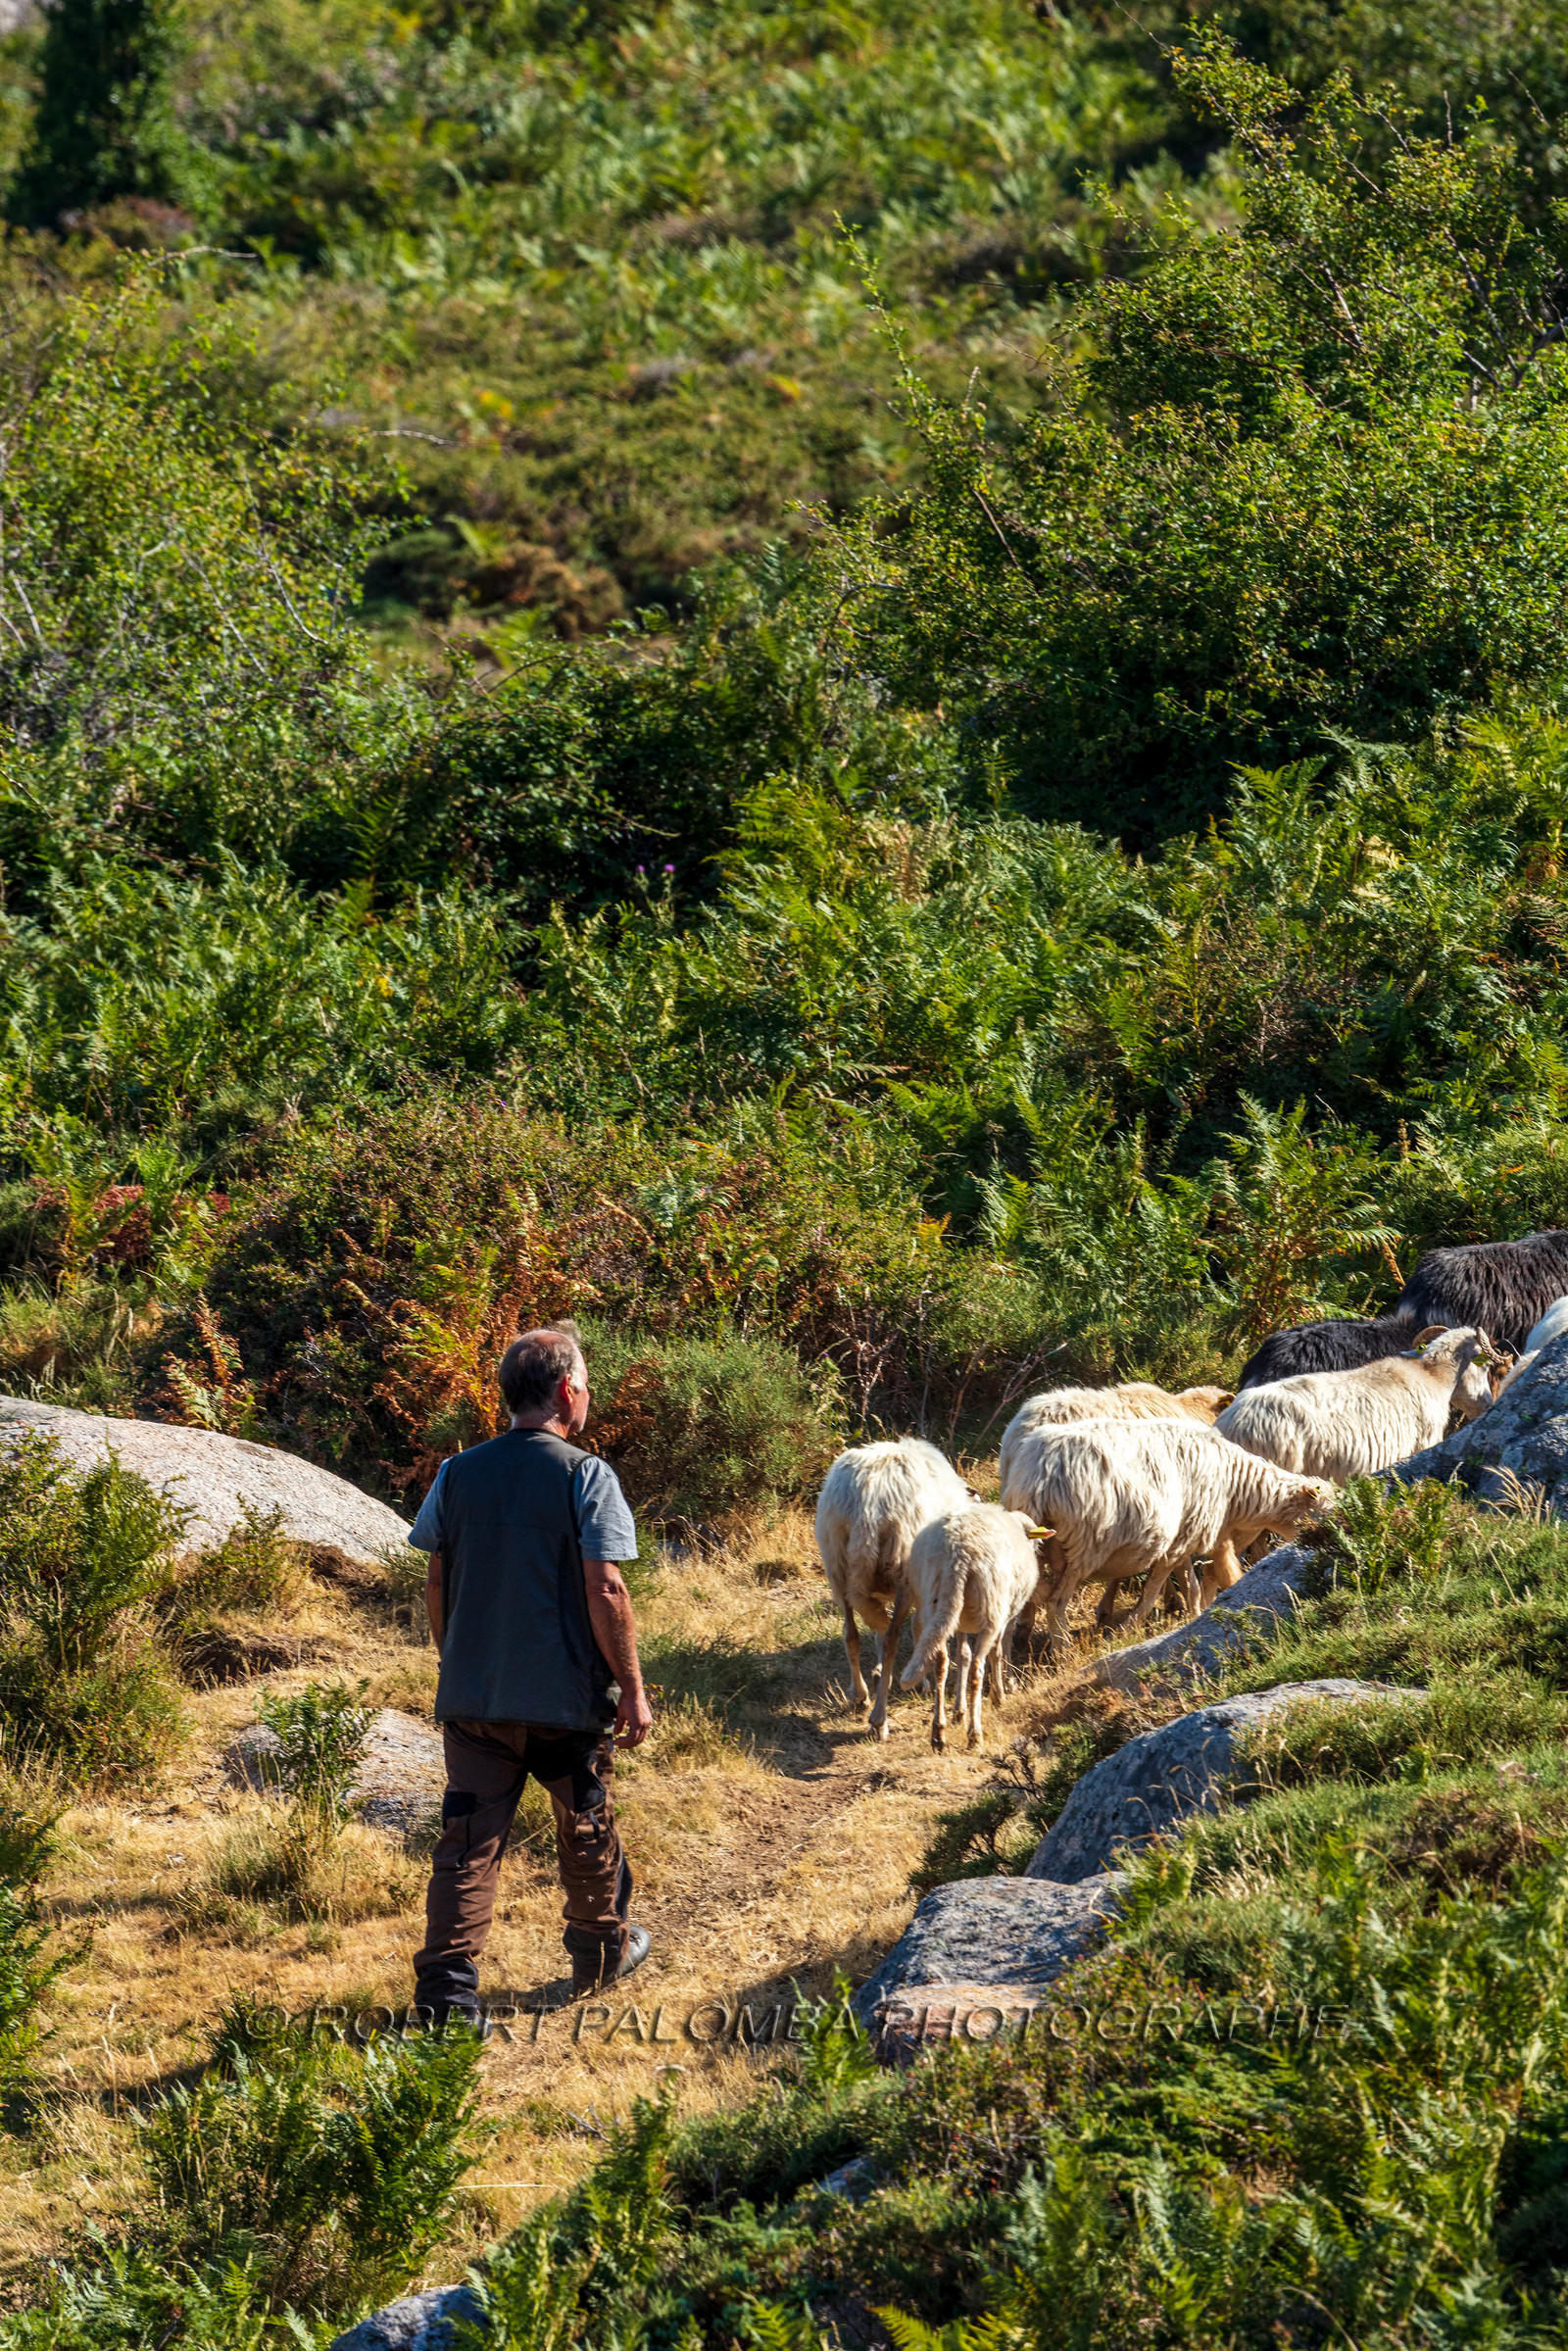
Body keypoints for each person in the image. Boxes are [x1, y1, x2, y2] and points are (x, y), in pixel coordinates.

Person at [407, 1323, 654, 2021]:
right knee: (585, 1825)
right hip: (563, 1703)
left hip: (474, 1699)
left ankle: (448, 1999)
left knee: (466, 1843)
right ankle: (600, 1952)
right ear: (566, 1388)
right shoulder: (585, 1474)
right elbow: (605, 1588)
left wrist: (455, 1660)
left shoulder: (456, 1473)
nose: (589, 1394)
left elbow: (435, 1578)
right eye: (586, 1381)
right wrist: (631, 1687)